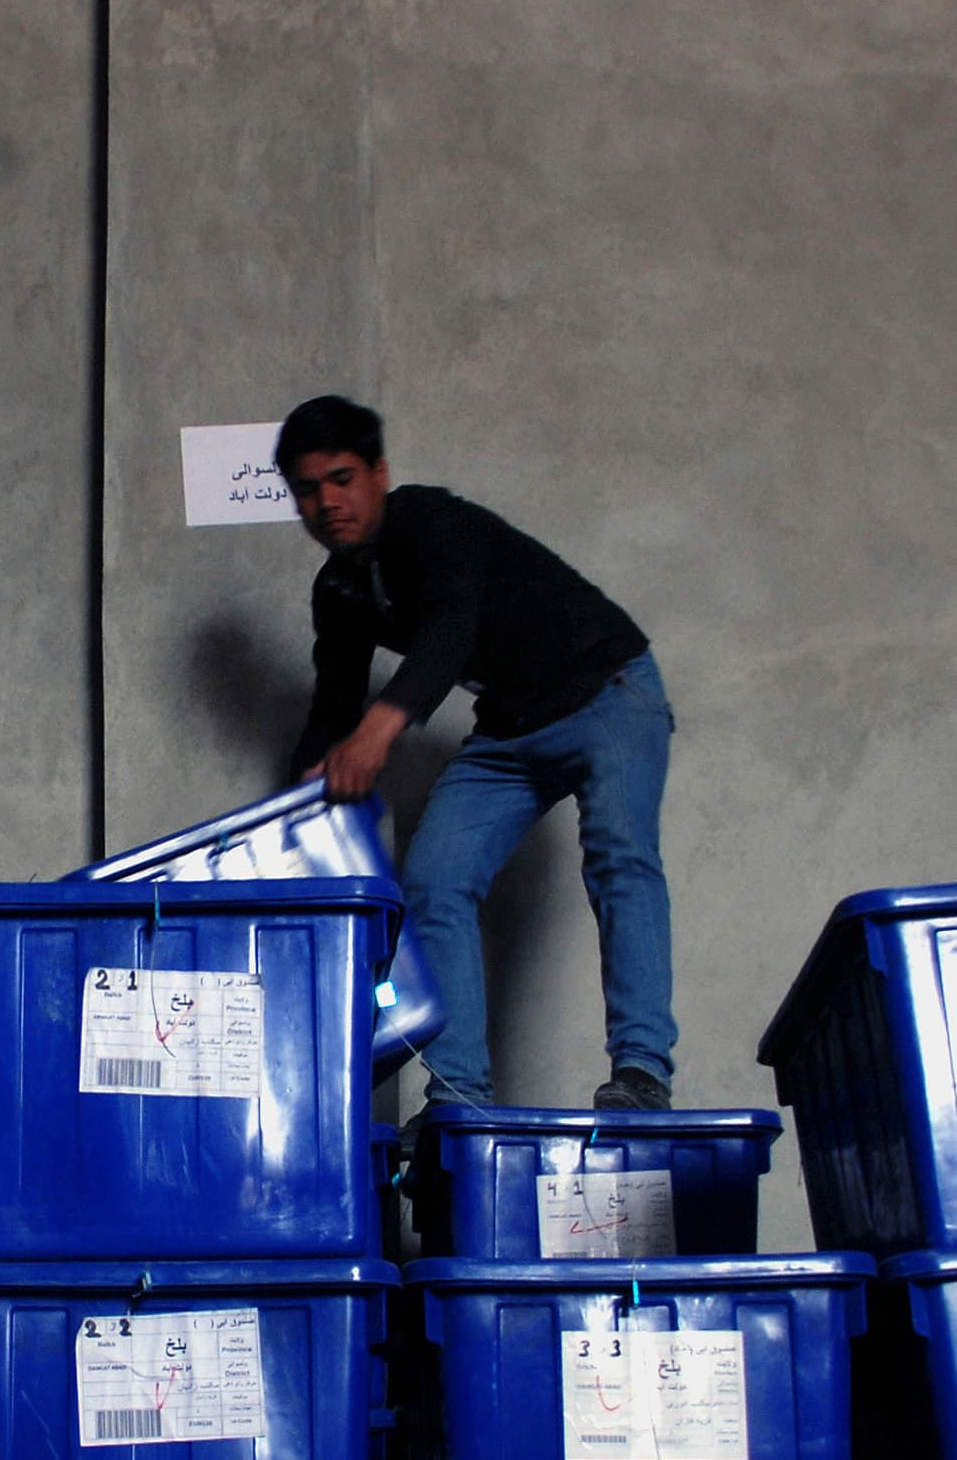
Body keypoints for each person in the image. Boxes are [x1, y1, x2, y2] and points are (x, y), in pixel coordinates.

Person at [279, 394, 677, 1110]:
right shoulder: (337, 589)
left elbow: (449, 633)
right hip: (511, 726)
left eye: (342, 479)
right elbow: (332, 711)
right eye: (307, 490)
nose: (327, 502)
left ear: (378, 472)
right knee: (432, 880)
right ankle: (459, 1094)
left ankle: (642, 1073)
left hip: (607, 689)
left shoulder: (433, 523)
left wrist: (376, 735)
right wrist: (290, 809)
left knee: (621, 856)